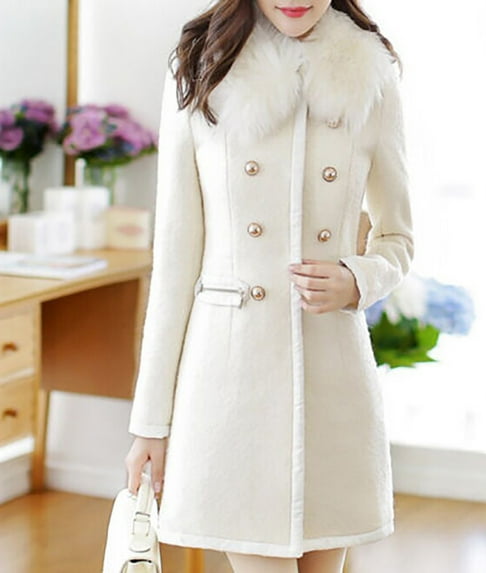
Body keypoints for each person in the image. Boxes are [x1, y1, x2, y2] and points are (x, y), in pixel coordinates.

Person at [125, 0, 413, 571]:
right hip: (232, 385)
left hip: (333, 381)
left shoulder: (370, 75)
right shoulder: (201, 66)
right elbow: (175, 263)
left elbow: (397, 238)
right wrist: (149, 426)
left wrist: (356, 279)